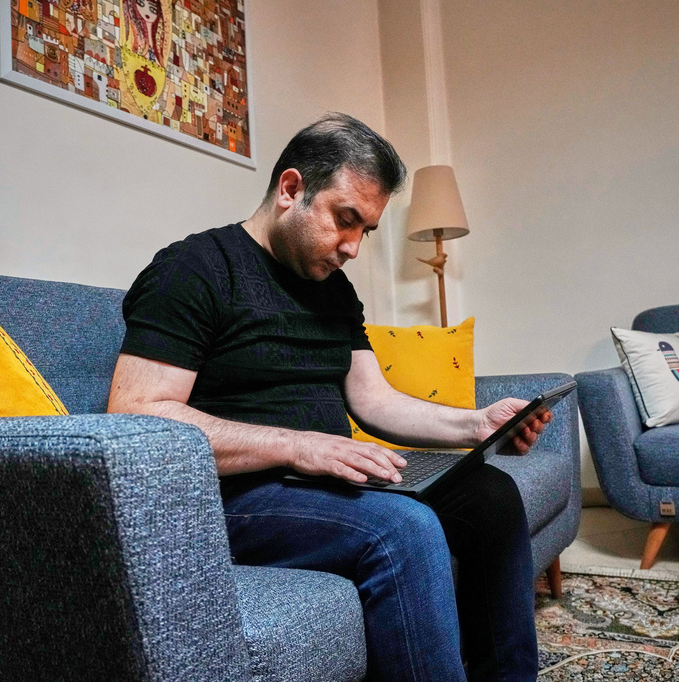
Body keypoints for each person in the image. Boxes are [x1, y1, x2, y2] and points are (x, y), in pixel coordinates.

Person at [107, 112, 550, 681]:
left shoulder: (332, 289)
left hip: (324, 483)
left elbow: (374, 402)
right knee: (402, 530)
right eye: (346, 220)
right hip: (236, 496)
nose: (353, 248)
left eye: (364, 230)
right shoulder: (194, 269)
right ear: (291, 189)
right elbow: (137, 414)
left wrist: (478, 425)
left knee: (489, 495)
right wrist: (296, 446)